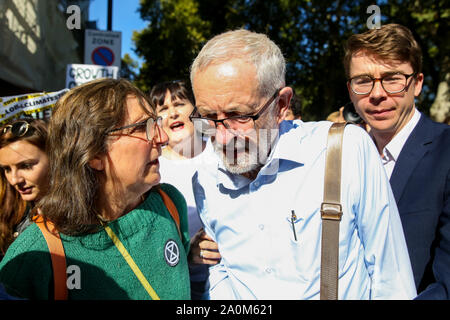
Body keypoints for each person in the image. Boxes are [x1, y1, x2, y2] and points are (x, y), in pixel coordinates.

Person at [188, 28, 416, 299]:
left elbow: (391, 279)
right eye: (208, 118)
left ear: (281, 105)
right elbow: (222, 273)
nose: (223, 137)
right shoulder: (205, 179)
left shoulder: (343, 150)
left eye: (239, 116)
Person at [0, 78, 191, 300]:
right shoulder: (36, 253)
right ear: (93, 154)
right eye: (142, 127)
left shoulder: (170, 204)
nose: (163, 138)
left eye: (156, 123)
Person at [344, 23, 450, 299]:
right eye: (364, 81)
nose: (377, 94)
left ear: (417, 84)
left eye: (392, 79)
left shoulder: (445, 153)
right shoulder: (336, 158)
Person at [149, 80, 219, 299]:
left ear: (195, 109)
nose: (172, 114)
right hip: (185, 285)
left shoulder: (224, 151)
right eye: (163, 109)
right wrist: (189, 252)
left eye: (179, 104)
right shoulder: (153, 169)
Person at [0, 118, 49, 260]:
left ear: (54, 157)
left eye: (26, 166)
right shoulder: (10, 209)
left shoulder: (82, 214)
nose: (14, 180)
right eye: (6, 169)